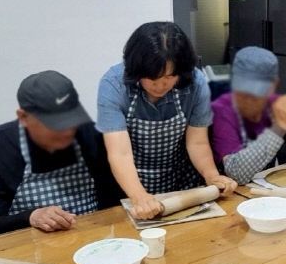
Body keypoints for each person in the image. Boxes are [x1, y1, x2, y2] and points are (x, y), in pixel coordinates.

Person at [97, 22, 236, 220]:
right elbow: (120, 153)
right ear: (137, 69)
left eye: (170, 76)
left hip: (182, 182)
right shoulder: (114, 85)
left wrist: (212, 176)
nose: (161, 85)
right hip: (133, 182)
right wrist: (139, 196)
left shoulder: (195, 83)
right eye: (153, 77)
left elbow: (197, 142)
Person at [0, 71, 123, 237]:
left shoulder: (91, 135)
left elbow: (114, 199)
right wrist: (31, 217)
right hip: (28, 248)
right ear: (24, 117)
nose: (66, 132)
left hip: (91, 240)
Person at [211, 47, 286, 184]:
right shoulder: (222, 112)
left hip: (279, 187)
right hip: (238, 195)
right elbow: (236, 173)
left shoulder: (277, 104)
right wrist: (278, 128)